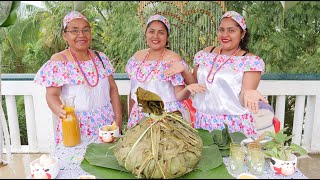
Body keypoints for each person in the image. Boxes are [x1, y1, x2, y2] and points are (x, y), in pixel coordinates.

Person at [164, 11, 268, 135]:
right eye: (221, 30)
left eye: (231, 30)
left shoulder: (250, 61)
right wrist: (184, 70)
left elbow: (244, 97)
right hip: (203, 122)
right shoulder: (206, 53)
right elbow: (196, 85)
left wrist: (249, 93)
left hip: (233, 126)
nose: (225, 35)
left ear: (242, 34)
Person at [34, 11, 122, 144]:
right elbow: (52, 95)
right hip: (75, 126)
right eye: (75, 31)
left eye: (85, 30)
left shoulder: (101, 58)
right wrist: (62, 112)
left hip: (106, 126)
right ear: (65, 35)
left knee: (106, 161)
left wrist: (118, 119)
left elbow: (113, 89)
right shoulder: (59, 62)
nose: (81, 35)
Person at [126, 14, 193, 128]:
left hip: (167, 117)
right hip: (140, 116)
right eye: (151, 31)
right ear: (146, 34)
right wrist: (130, 115)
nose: (155, 36)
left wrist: (188, 86)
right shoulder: (137, 57)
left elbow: (182, 92)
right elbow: (133, 91)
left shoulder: (173, 59)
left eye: (161, 32)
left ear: (167, 37)